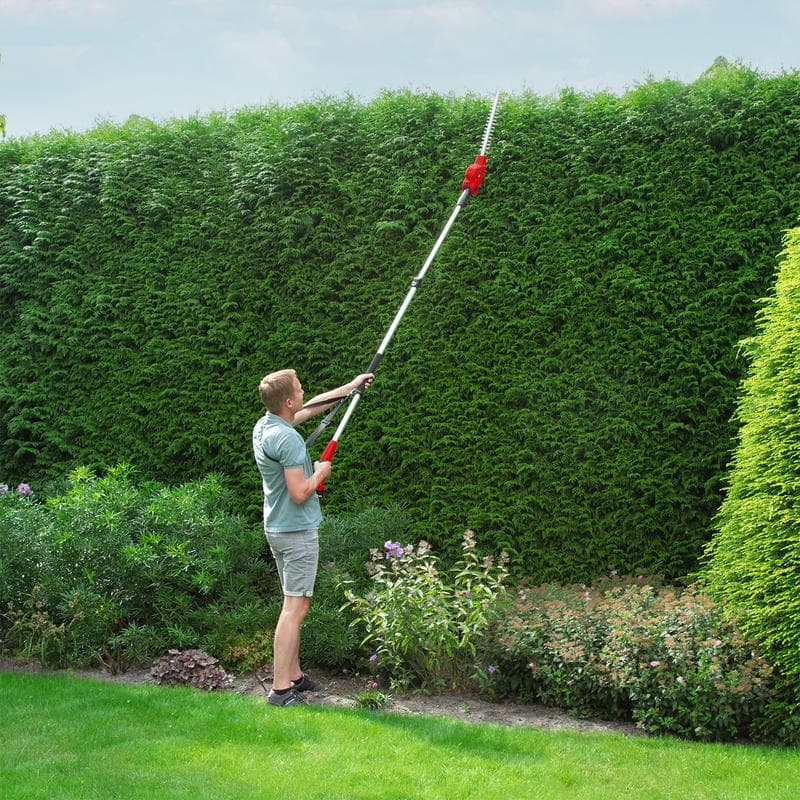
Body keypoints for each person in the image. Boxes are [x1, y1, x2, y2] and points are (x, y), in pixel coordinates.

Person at [253, 368, 373, 706]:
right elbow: (299, 492)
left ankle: (293, 675)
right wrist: (320, 472)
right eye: (299, 389)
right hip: (296, 532)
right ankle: (280, 690)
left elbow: (311, 408)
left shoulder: (266, 425)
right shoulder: (288, 439)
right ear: (288, 402)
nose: (304, 391)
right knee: (296, 608)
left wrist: (350, 387)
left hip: (278, 528)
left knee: (292, 604)